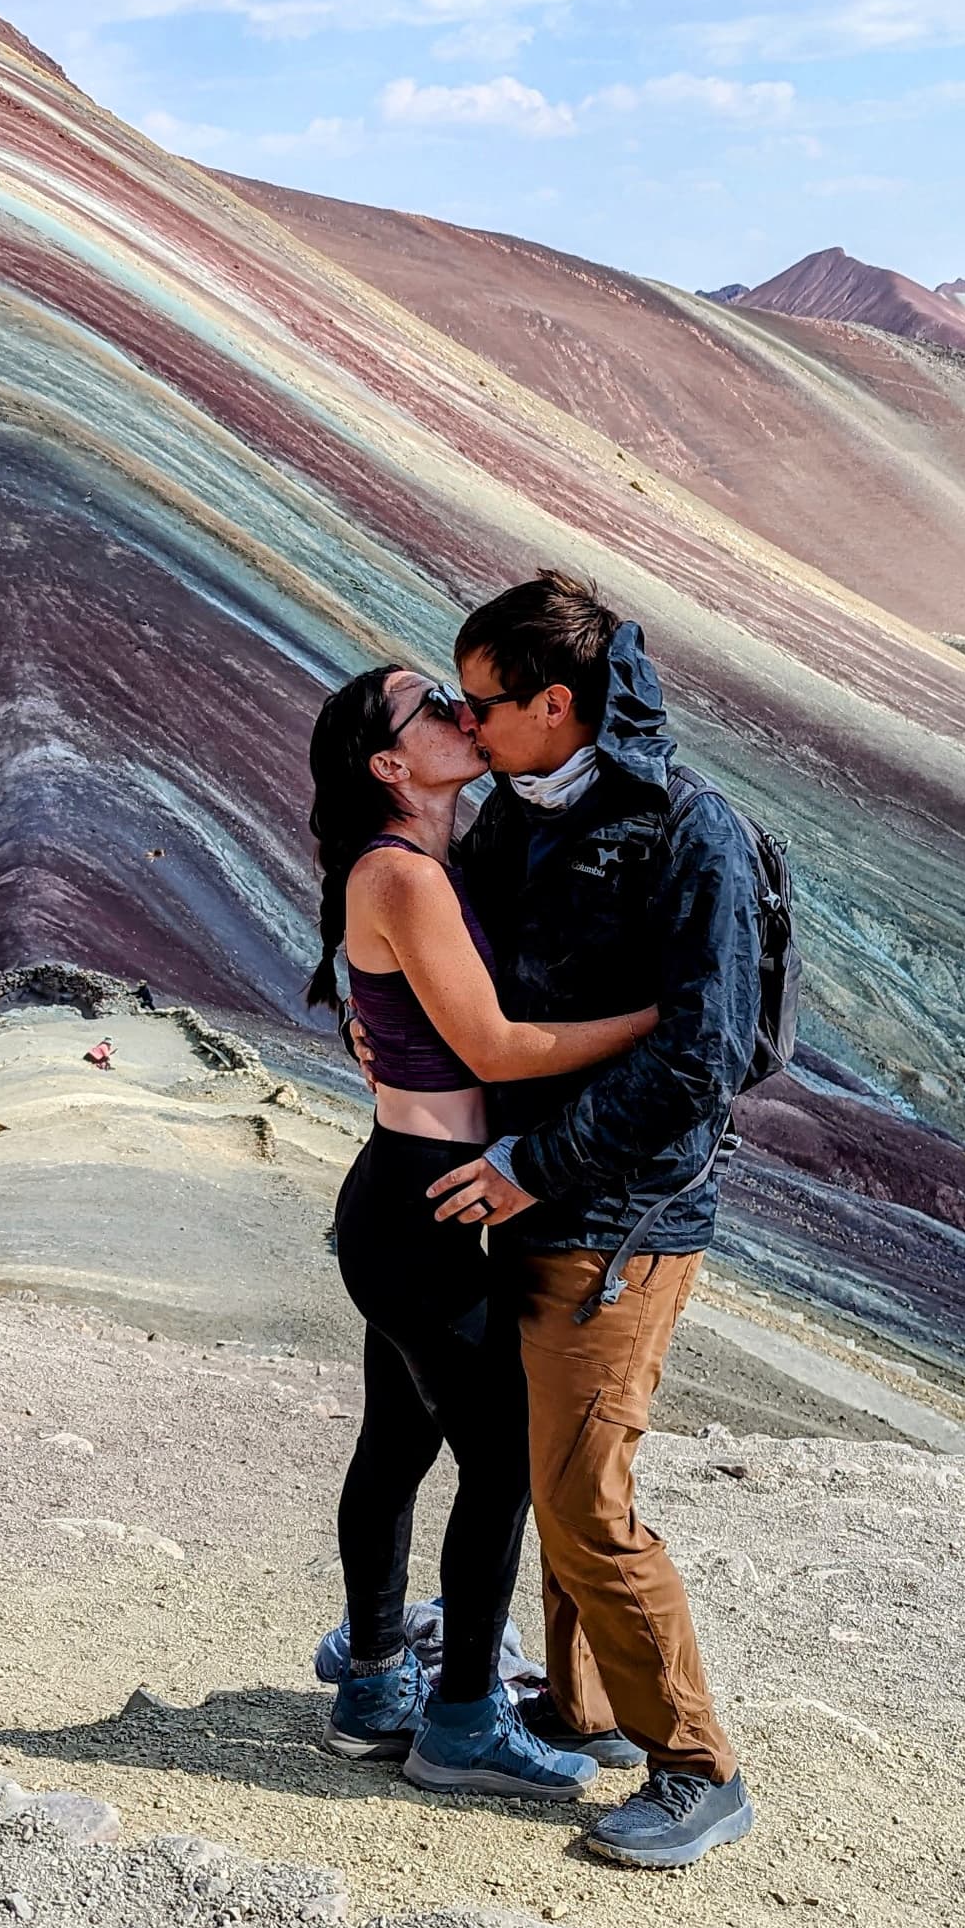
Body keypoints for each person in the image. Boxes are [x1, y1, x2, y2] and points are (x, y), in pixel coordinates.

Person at [426, 570, 770, 1870]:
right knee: (557, 1469)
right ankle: (585, 1711)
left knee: (582, 1502)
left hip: (622, 1219)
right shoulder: (515, 818)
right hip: (529, 1200)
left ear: (557, 704)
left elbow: (702, 1060)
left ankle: (697, 1765)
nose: (466, 729)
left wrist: (536, 1161)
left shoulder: (695, 835)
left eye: (482, 706)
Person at [303, 664, 659, 1801]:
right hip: (427, 1207)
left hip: (409, 1191)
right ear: (389, 766)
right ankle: (460, 1719)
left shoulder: (426, 863)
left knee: (401, 1442)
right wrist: (673, 1018)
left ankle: (372, 1683)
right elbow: (499, 1049)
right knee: (500, 1461)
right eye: (430, 711)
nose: (462, 715)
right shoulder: (402, 875)